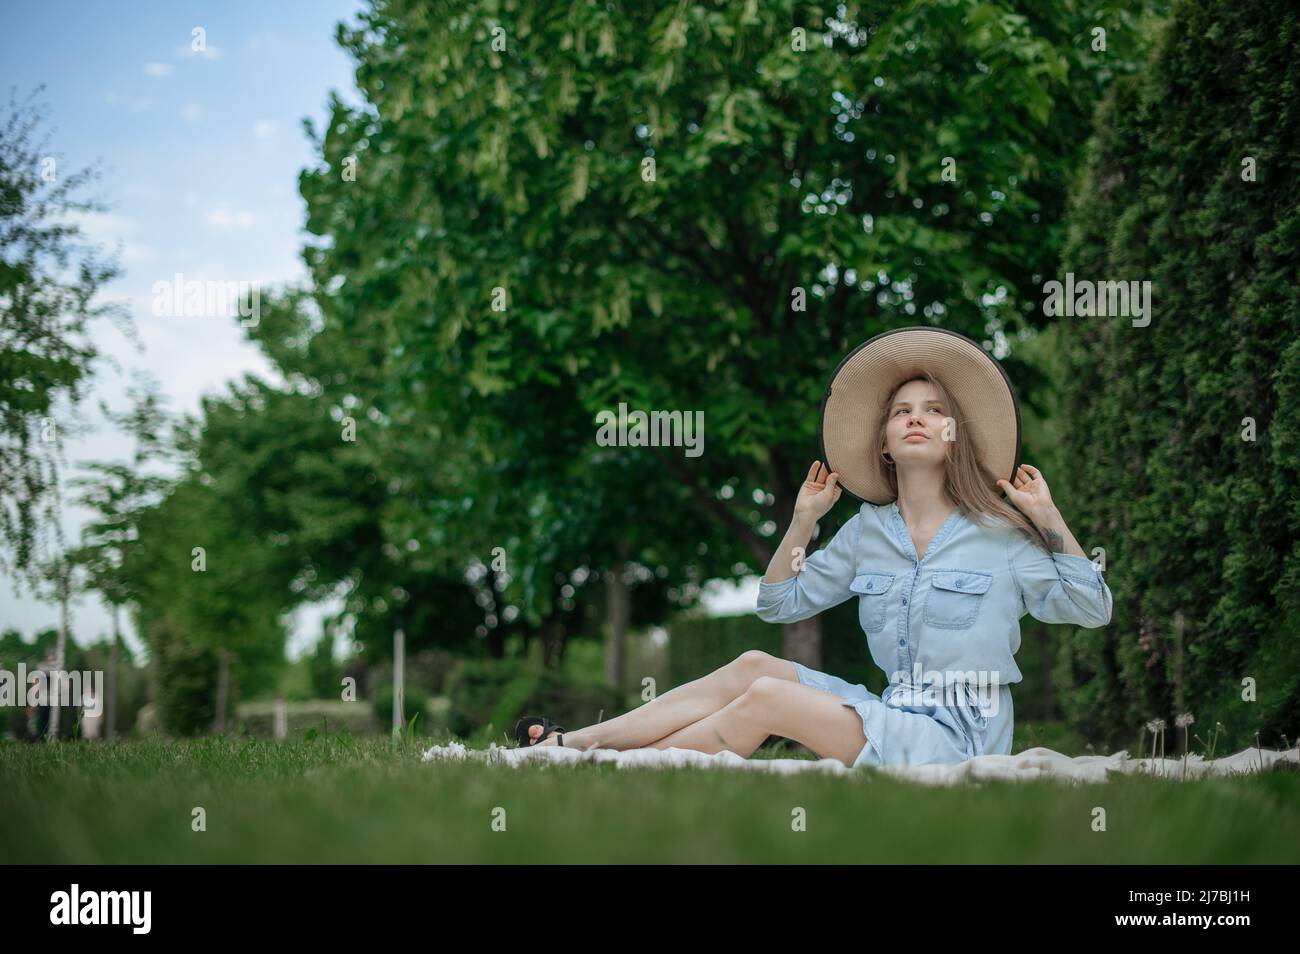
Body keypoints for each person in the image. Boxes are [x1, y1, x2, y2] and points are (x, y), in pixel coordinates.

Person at [515, 327, 1113, 768]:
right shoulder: (864, 533)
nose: (916, 419)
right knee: (754, 666)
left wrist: (1048, 516)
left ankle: (595, 762)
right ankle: (576, 743)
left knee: (770, 697)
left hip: (960, 739)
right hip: (892, 711)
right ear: (882, 442)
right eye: (901, 411)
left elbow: (1091, 609)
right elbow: (778, 604)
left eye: (934, 412)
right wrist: (803, 521)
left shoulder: (1000, 531)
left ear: (955, 435)